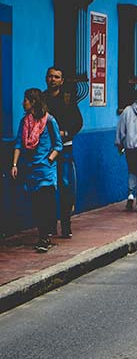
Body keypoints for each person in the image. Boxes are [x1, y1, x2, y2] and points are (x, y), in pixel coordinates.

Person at [11, 88, 63, 252]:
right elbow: (18, 144)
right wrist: (14, 164)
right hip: (31, 169)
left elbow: (58, 145)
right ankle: (44, 234)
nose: (23, 103)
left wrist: (49, 159)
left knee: (44, 203)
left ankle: (44, 238)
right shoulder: (24, 122)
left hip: (46, 170)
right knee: (36, 205)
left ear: (33, 102)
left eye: (26, 100)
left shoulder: (49, 120)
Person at [43, 66, 83, 239]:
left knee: (65, 185)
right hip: (45, 149)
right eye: (50, 76)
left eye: (56, 77)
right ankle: (50, 225)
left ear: (62, 81)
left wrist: (65, 132)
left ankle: (66, 224)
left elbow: (78, 122)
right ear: (46, 78)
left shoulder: (68, 99)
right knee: (48, 188)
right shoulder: (42, 99)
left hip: (65, 148)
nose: (53, 79)